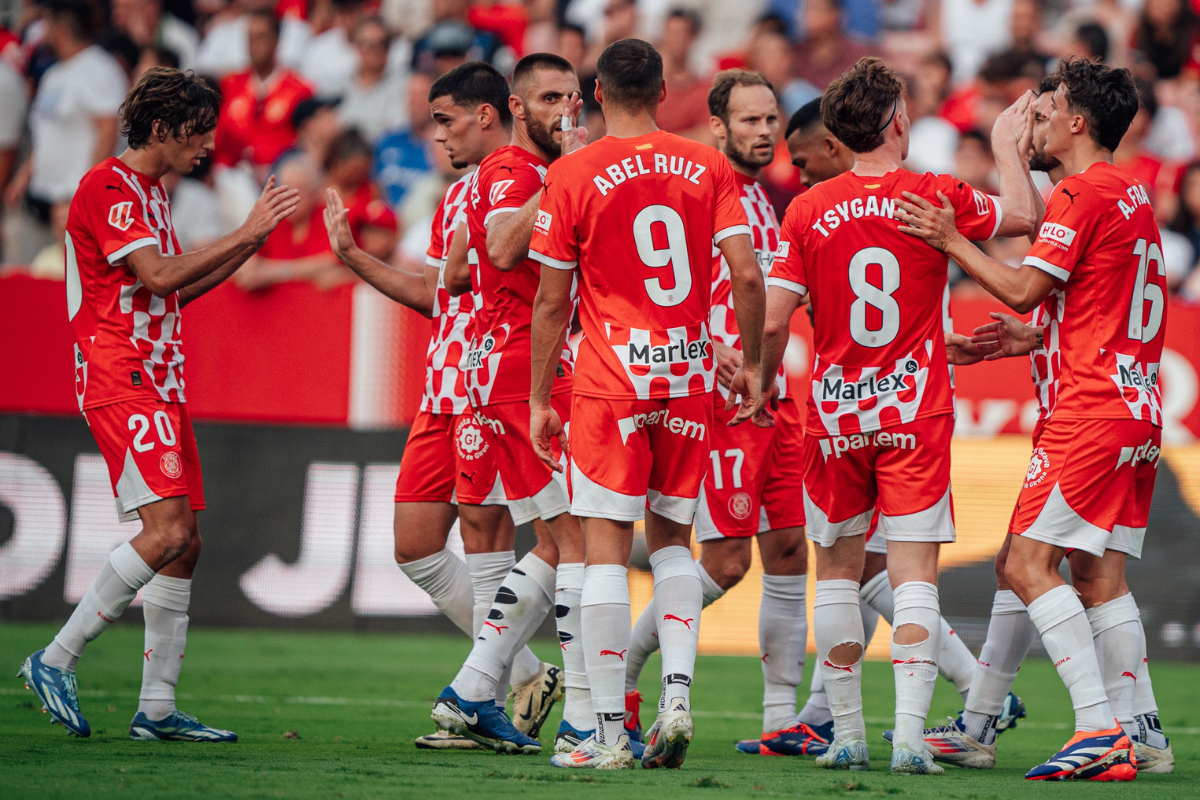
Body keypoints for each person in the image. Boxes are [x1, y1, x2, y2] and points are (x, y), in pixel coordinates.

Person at [759, 56, 1037, 774]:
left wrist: (762, 379)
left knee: (839, 575)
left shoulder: (807, 208)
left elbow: (775, 318)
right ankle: (911, 738)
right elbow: (1025, 217)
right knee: (914, 574)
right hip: (914, 409)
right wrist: (1006, 146)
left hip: (835, 414)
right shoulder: (934, 193)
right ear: (896, 120)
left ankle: (847, 734)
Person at [895, 59, 1172, 780]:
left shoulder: (1082, 193)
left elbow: (1020, 288)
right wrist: (1038, 335)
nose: (1035, 121)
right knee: (1094, 575)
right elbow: (1088, 297)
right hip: (1136, 407)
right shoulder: (1130, 193)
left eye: (1046, 111)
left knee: (1024, 564)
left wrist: (949, 237)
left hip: (1090, 409)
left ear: (1078, 123)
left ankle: (1097, 731)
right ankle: (1138, 735)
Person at [17, 67, 299, 742]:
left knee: (184, 545)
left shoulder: (150, 194)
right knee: (167, 531)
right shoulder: (109, 186)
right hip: (121, 374)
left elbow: (171, 292)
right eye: (199, 133)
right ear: (164, 129)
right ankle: (54, 658)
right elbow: (161, 273)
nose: (206, 147)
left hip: (158, 377)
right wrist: (245, 230)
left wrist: (251, 241)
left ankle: (158, 708)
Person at [528, 38, 769, 770]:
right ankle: (675, 697)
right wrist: (752, 363)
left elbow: (549, 301)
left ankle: (603, 734)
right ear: (666, 93)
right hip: (689, 380)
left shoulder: (572, 171)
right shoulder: (707, 165)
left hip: (610, 383)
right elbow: (749, 275)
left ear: (596, 94)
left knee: (604, 549)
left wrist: (541, 396)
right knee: (672, 546)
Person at [323, 60, 559, 752]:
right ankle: (520, 673)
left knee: (490, 537)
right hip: (442, 383)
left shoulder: (517, 176)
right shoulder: (457, 194)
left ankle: (480, 697)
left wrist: (462, 267)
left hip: (490, 380)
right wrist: (353, 257)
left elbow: (487, 272)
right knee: (416, 546)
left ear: (487, 114)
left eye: (447, 121)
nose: (439, 137)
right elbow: (439, 291)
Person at [616, 68, 818, 760]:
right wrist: (715, 348)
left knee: (791, 549)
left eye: (771, 119)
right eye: (751, 121)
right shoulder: (696, 190)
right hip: (717, 401)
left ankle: (779, 719)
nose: (765, 132)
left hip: (777, 401)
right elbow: (662, 286)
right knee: (727, 562)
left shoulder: (773, 202)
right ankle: (624, 674)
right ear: (718, 127)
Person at [427, 56, 587, 756]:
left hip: (508, 367)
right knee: (578, 544)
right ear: (516, 108)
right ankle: (586, 715)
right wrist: (560, 177)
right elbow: (498, 244)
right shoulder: (518, 172)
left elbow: (471, 266)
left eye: (573, 98)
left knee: (556, 543)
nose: (564, 111)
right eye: (549, 98)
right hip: (524, 368)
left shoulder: (518, 173)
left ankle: (475, 687)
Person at [5, 0, 127, 265]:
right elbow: (46, 134)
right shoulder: (54, 74)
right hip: (40, 200)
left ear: (61, 28)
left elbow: (108, 132)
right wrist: (23, 178)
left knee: (67, 286)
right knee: (30, 281)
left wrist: (87, 192)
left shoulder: (98, 68)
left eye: (47, 23)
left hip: (73, 205)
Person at [212, 10, 314, 174]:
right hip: (230, 174)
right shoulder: (229, 84)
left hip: (278, 175)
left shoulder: (300, 89)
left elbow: (308, 144)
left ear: (276, 40)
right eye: (250, 38)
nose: (253, 45)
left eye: (260, 37)